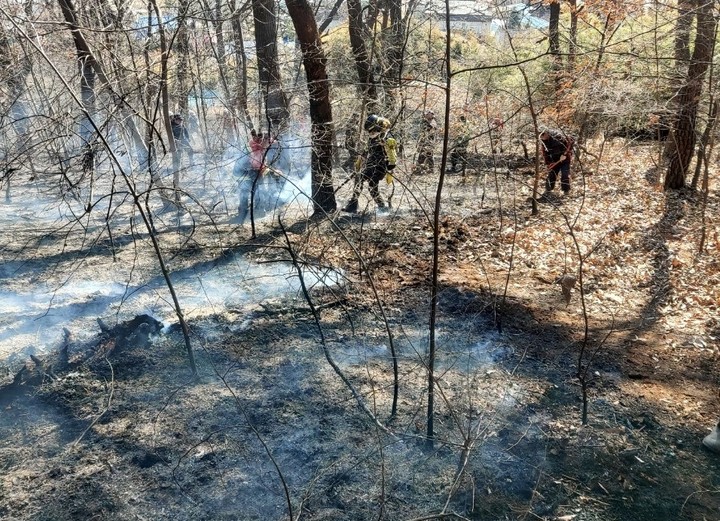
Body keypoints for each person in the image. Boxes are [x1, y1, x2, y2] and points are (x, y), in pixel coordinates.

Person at [343, 114, 397, 213]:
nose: (370, 133)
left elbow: (392, 154)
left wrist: (390, 167)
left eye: (371, 130)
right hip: (370, 165)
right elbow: (366, 151)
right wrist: (359, 162)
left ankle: (382, 207)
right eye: (369, 131)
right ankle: (352, 205)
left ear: (377, 127)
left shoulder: (387, 138)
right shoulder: (372, 138)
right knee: (359, 180)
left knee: (372, 187)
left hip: (380, 166)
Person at [539, 126, 574, 194]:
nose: (541, 136)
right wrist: (549, 163)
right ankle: (548, 190)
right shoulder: (543, 143)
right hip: (554, 161)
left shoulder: (558, 136)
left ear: (547, 132)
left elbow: (570, 142)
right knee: (552, 174)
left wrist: (565, 154)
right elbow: (545, 154)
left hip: (565, 159)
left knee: (565, 174)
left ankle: (565, 190)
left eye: (543, 134)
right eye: (540, 135)